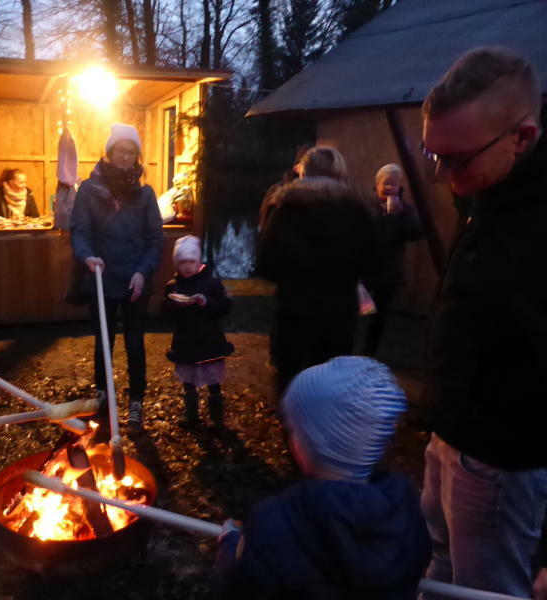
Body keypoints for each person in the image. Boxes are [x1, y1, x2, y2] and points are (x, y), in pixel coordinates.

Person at [418, 46, 547, 599]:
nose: (444, 175)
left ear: (523, 138)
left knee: (485, 591)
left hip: (502, 455)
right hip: (453, 432)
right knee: (441, 569)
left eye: (458, 160)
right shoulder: (487, 190)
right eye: (434, 156)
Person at [215, 357, 431, 598]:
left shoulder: (276, 522)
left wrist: (230, 548)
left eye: (294, 427)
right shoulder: (407, 514)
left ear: (303, 446)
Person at [255, 146, 376, 393]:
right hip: (339, 313)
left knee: (291, 381)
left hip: (295, 311)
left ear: (304, 172)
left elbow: (266, 263)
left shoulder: (287, 208)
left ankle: (293, 428)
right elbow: (373, 261)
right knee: (329, 383)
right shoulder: (356, 209)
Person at [70, 122, 163, 434]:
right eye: (120, 150)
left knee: (135, 344)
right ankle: (103, 399)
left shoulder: (145, 193)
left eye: (131, 152)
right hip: (103, 278)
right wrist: (87, 257)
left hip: (136, 282)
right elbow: (80, 230)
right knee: (103, 344)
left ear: (137, 157)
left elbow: (154, 239)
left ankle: (136, 403)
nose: (126, 156)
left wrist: (142, 271)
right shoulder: (88, 189)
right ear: (109, 153)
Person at [163, 235, 234, 429]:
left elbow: (225, 306)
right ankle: (191, 415)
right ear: (177, 263)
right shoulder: (172, 286)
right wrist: (174, 305)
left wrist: (207, 302)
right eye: (183, 262)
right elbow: (166, 315)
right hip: (185, 340)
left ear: (198, 261)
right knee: (188, 380)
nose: (187, 266)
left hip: (209, 339)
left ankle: (217, 418)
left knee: (213, 380)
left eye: (191, 261)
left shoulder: (211, 283)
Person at [362, 163, 422, 356]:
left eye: (394, 184)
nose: (389, 188)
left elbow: (415, 233)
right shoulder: (367, 205)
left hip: (389, 271)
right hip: (365, 268)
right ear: (377, 184)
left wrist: (396, 215)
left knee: (378, 317)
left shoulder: (406, 209)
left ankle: (368, 353)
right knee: (356, 310)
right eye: (386, 183)